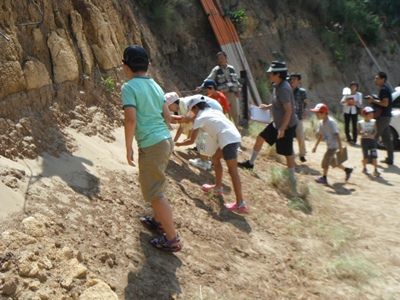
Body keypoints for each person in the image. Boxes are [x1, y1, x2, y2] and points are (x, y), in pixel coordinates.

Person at [121, 45, 181, 252]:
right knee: (157, 185)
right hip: (166, 140)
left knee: (155, 193)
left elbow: (130, 120)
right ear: (149, 65)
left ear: (125, 67)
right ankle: (158, 221)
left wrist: (129, 146)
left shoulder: (129, 87)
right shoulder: (156, 85)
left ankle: (172, 239)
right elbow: (167, 116)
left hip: (151, 143)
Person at [175, 98, 247, 212]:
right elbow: (193, 118)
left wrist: (177, 143)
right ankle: (218, 187)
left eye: (192, 110)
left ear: (196, 108)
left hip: (228, 138)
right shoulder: (213, 111)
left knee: (233, 171)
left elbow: (191, 140)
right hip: (233, 135)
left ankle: (240, 204)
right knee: (215, 158)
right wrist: (184, 119)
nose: (193, 113)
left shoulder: (200, 117)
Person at [238, 61, 298, 190]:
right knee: (260, 138)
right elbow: (279, 104)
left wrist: (282, 128)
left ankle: (292, 181)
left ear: (278, 74)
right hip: (277, 123)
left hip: (286, 125)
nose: (269, 74)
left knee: (288, 154)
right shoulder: (277, 85)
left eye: (271, 73)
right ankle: (250, 163)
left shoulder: (283, 89)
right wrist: (268, 107)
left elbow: (289, 110)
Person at [167, 94, 223, 171]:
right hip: (214, 108)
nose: (169, 109)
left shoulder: (185, 105)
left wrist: (177, 143)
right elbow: (182, 125)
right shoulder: (182, 106)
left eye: (169, 106)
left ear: (173, 103)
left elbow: (197, 118)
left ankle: (204, 162)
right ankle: (207, 160)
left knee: (202, 136)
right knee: (205, 135)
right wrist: (174, 142)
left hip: (212, 107)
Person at [311, 103, 353, 184]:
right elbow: (321, 135)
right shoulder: (321, 123)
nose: (316, 114)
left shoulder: (330, 122)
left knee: (325, 161)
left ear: (323, 113)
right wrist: (315, 146)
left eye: (317, 113)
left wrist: (340, 147)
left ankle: (324, 178)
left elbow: (337, 134)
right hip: (329, 145)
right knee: (332, 162)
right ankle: (347, 170)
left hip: (333, 146)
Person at [196, 51, 240, 128]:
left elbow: (236, 81)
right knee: (224, 114)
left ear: (226, 58)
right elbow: (209, 79)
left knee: (235, 114)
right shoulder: (216, 70)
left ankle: (235, 129)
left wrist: (238, 92)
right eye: (219, 58)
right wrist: (201, 87)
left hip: (232, 94)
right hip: (223, 95)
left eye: (222, 58)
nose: (220, 60)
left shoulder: (231, 68)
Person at [366, 71, 393, 165]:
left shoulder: (384, 90)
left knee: (373, 136)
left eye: (377, 78)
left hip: (383, 117)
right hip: (386, 117)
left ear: (383, 79)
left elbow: (385, 103)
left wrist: (373, 100)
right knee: (386, 138)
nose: (375, 80)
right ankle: (390, 159)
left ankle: (371, 158)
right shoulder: (384, 89)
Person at [289, 72, 308, 162]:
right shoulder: (287, 90)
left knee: (300, 137)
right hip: (288, 118)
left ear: (299, 81)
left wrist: (305, 110)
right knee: (289, 138)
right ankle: (291, 155)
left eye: (294, 79)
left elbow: (305, 102)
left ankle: (302, 154)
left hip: (298, 117)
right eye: (291, 79)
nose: (292, 81)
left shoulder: (302, 92)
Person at [358, 106, 380, 176]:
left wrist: (373, 135)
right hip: (364, 141)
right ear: (365, 115)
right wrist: (365, 134)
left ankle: (375, 170)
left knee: (374, 155)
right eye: (369, 114)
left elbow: (375, 130)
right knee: (366, 156)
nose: (371, 115)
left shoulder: (373, 122)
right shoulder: (361, 123)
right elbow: (359, 132)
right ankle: (364, 168)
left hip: (372, 140)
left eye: (372, 114)